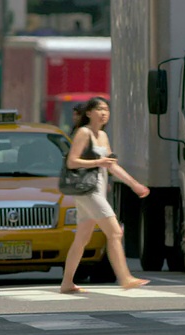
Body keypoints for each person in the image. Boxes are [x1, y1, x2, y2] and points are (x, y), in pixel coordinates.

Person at [60, 96, 151, 293]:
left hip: (95, 190)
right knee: (115, 232)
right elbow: (72, 162)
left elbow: (112, 166)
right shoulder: (84, 133)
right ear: (89, 113)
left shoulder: (102, 136)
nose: (104, 113)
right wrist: (97, 162)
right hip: (89, 191)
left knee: (82, 239)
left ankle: (67, 283)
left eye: (107, 110)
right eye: (99, 109)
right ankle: (125, 277)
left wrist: (134, 184)